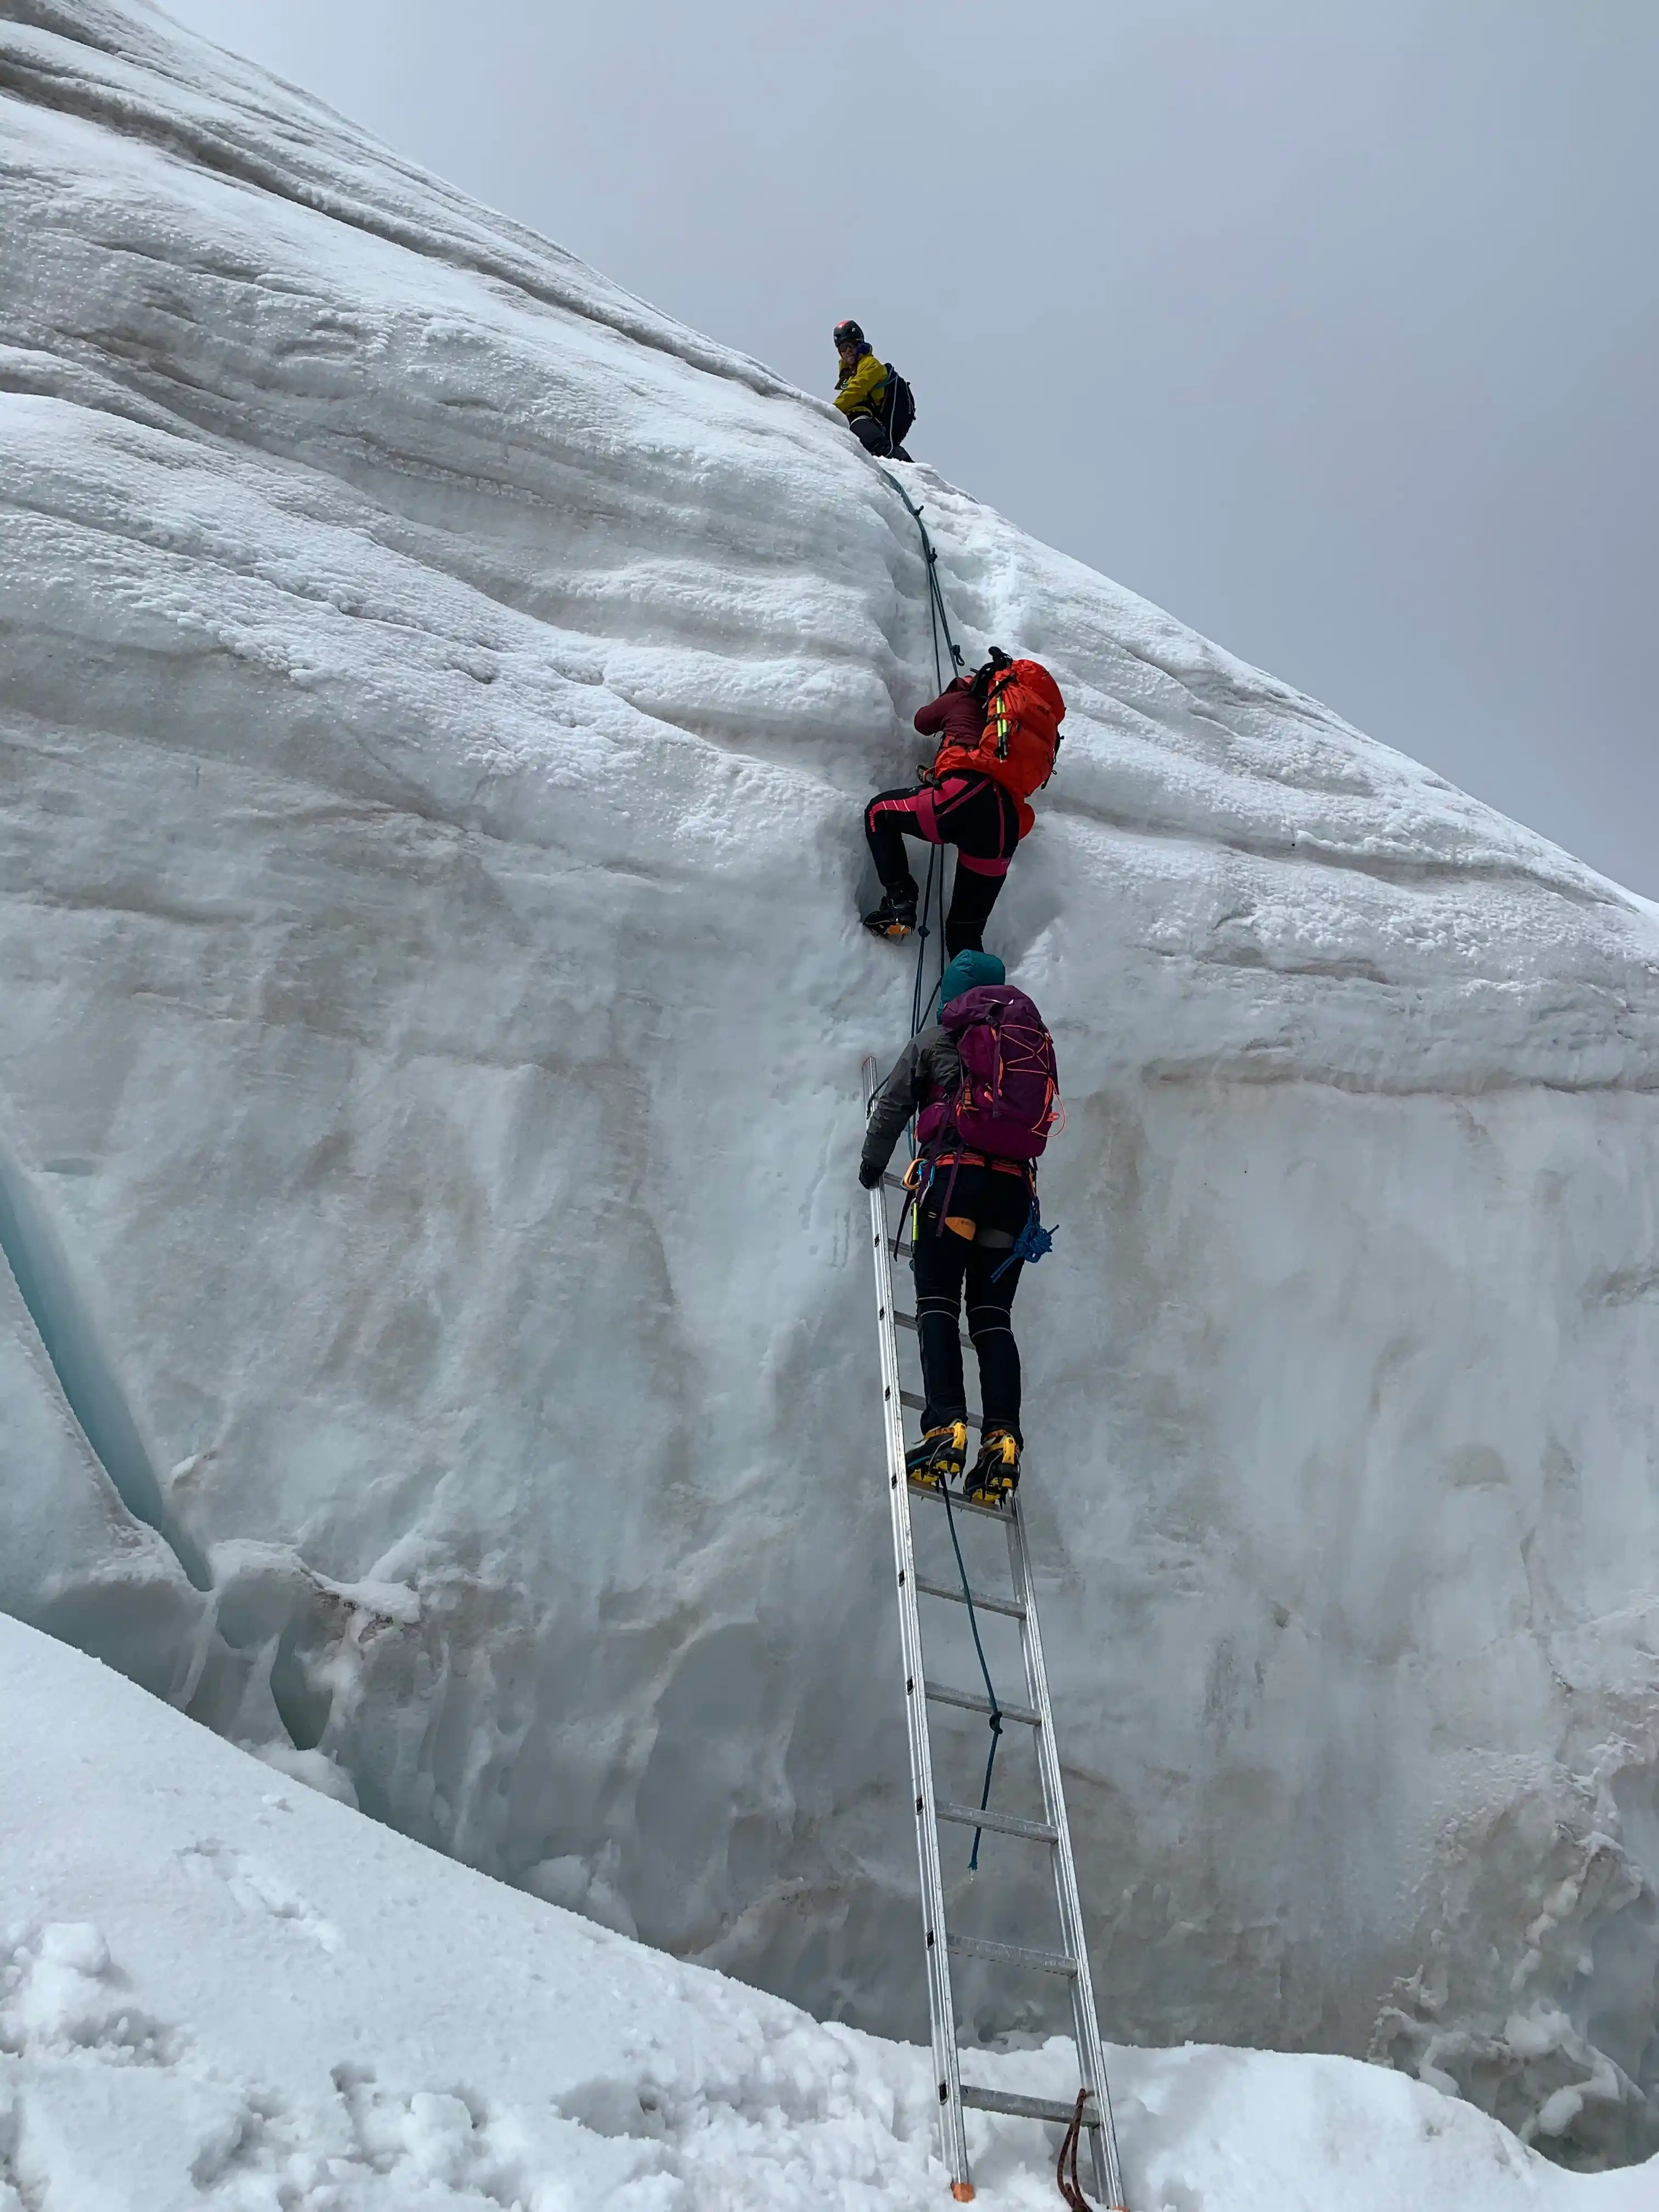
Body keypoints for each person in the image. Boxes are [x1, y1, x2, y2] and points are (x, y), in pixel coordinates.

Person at [859, 950, 1054, 1503]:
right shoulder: (1020, 1044)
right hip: (1014, 1191)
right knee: (992, 1317)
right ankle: (1002, 1440)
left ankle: (946, 1427)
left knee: (938, 1304)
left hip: (953, 1183)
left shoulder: (933, 1041)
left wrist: (872, 1167)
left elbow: (893, 1105)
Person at [861, 659, 1025, 954]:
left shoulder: (962, 697)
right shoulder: (1011, 723)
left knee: (878, 813)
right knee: (965, 934)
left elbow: (922, 722)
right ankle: (980, 999)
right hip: (1005, 822)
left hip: (963, 794)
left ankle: (901, 907)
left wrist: (950, 699)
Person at [833, 320, 910, 460]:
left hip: (866, 419)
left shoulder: (870, 364)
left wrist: (830, 412)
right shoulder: (849, 374)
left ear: (860, 343)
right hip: (863, 419)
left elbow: (856, 390)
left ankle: (914, 475)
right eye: (843, 347)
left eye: (852, 344)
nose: (848, 350)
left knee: (879, 448)